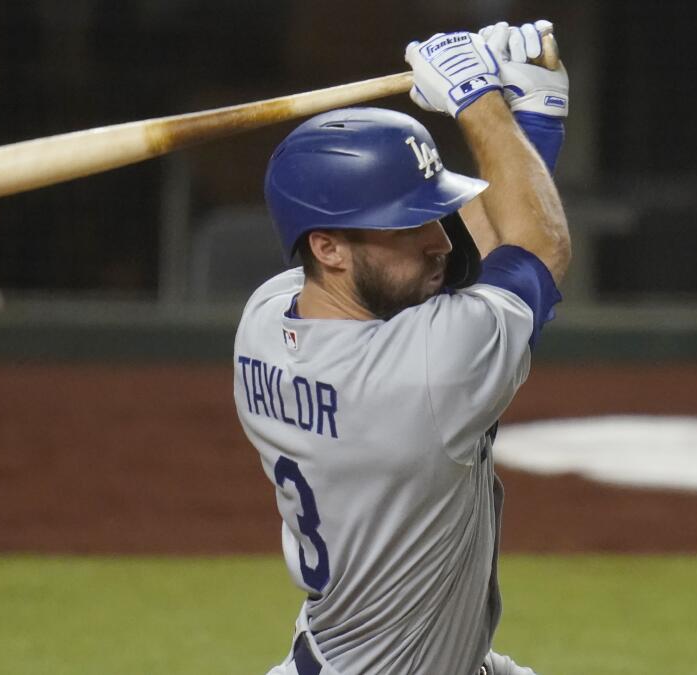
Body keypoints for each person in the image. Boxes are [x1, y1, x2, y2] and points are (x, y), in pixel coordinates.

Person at [234, 21, 571, 675]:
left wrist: (522, 120)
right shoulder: (422, 376)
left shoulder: (269, 317)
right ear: (327, 247)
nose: (440, 242)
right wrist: (483, 105)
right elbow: (534, 251)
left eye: (431, 215)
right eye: (405, 227)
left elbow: (483, 249)